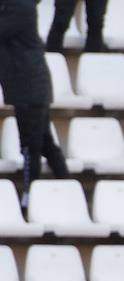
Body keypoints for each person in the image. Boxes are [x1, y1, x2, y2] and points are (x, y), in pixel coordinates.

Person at [0, 0, 69, 209]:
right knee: (45, 144)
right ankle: (67, 185)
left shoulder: (20, 9)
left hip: (29, 87)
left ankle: (31, 196)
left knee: (31, 146)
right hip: (30, 86)